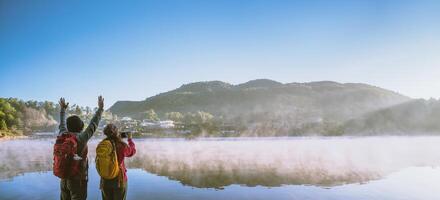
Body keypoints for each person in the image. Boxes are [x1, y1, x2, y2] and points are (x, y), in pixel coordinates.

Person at [57, 96, 104, 200]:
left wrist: (63, 110)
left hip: (64, 178)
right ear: (80, 127)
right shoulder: (81, 138)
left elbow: (62, 123)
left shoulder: (63, 134)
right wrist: (100, 109)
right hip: (78, 179)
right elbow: (93, 124)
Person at [99, 124, 136, 200]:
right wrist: (130, 139)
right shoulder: (121, 145)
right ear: (116, 132)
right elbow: (132, 151)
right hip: (119, 180)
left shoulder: (102, 145)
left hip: (105, 179)